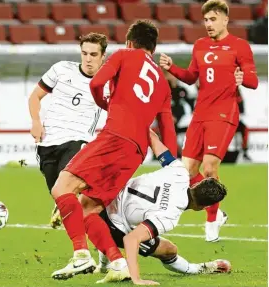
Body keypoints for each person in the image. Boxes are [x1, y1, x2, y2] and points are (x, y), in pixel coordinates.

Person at [50, 20, 177, 284]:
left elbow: (96, 84)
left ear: (130, 43)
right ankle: (118, 263)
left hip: (115, 136)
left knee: (61, 187)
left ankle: (80, 254)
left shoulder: (123, 55)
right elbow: (167, 126)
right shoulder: (163, 84)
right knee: (87, 209)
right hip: (136, 151)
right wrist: (173, 167)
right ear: (152, 48)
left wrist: (106, 105)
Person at [159, 0, 258, 242]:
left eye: (213, 19)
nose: (208, 24)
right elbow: (192, 77)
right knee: (187, 172)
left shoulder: (239, 46)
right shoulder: (200, 45)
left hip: (224, 114)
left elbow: (253, 82)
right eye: (206, 20)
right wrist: (173, 68)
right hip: (200, 114)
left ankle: (211, 222)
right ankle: (218, 211)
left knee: (210, 167)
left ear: (225, 19)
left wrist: (241, 78)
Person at [94, 130, 229, 285]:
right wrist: (136, 278)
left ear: (196, 183)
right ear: (202, 207)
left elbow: (151, 137)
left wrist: (139, 120)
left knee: (132, 219)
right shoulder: (170, 217)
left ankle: (104, 265)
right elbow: (131, 239)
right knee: (169, 250)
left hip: (102, 196)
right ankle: (197, 268)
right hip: (109, 222)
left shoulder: (179, 171)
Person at [28, 32, 108, 228]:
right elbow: (34, 97)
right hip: (47, 143)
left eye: (94, 54)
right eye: (85, 53)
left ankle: (88, 250)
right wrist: (35, 122)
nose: (88, 59)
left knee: (69, 190)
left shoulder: (107, 82)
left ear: (103, 56)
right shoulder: (61, 69)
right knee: (62, 198)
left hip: (78, 141)